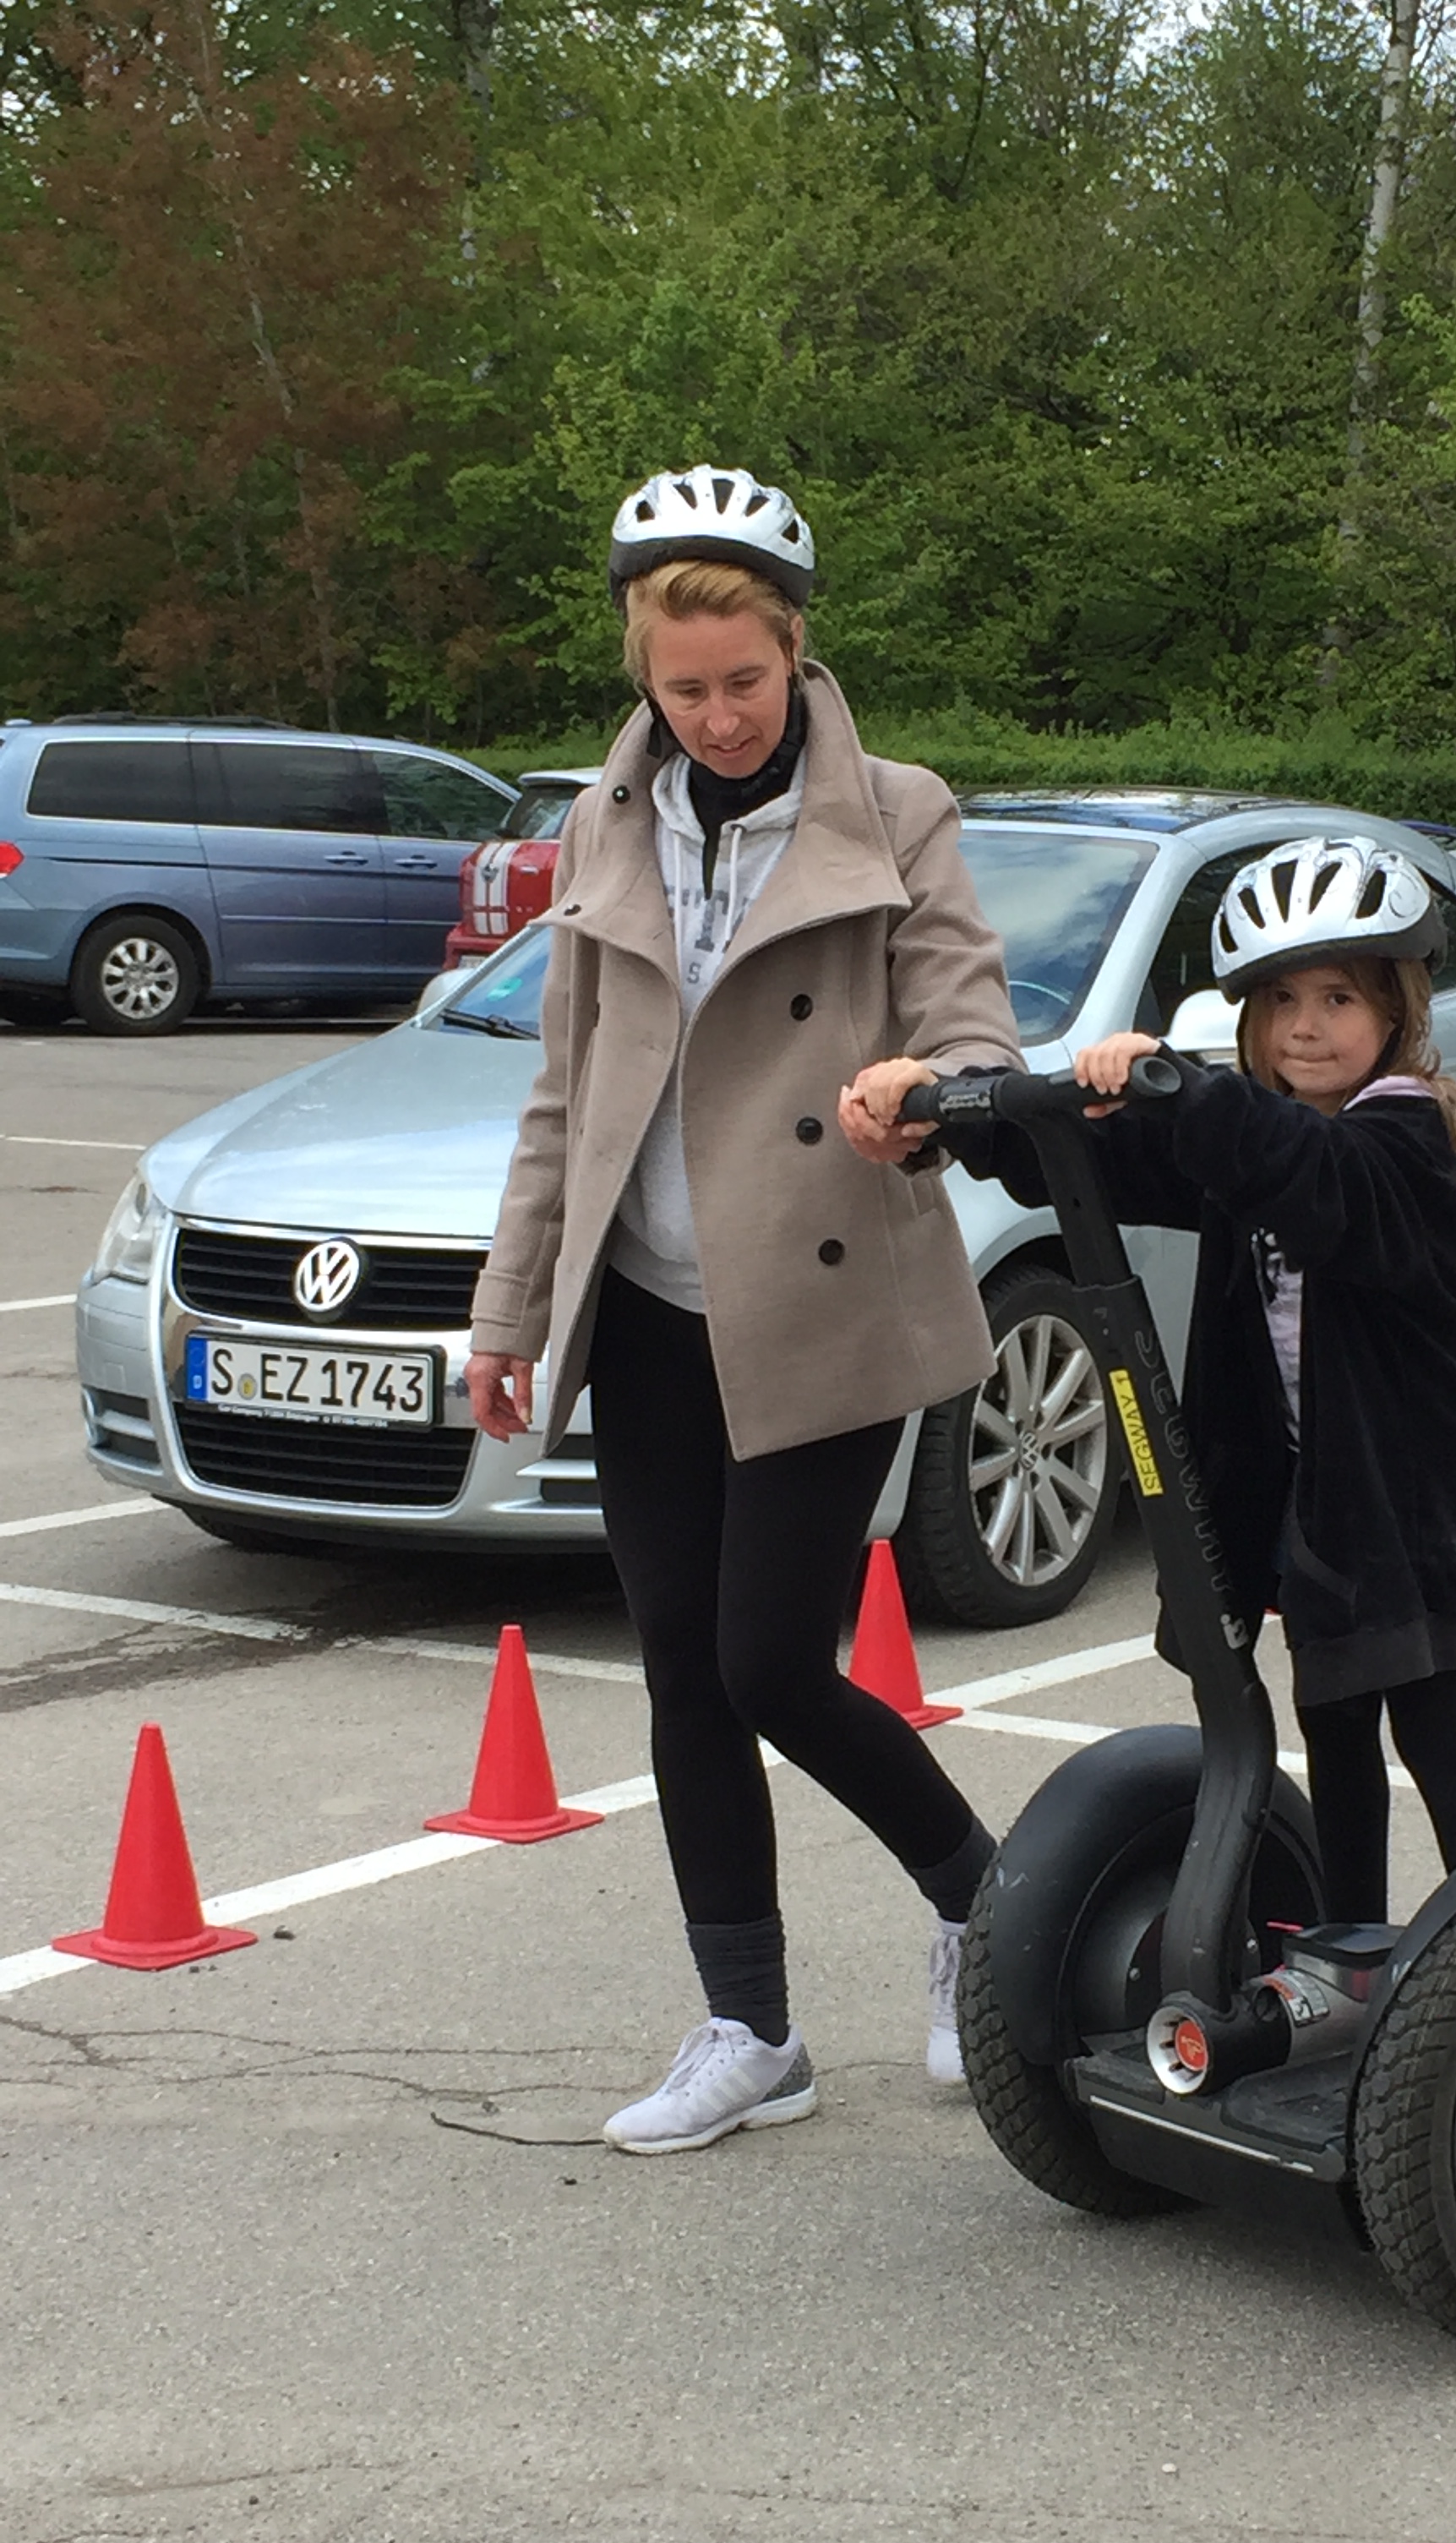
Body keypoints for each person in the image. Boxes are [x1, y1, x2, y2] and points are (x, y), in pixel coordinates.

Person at [466, 465, 1024, 2154]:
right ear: (643, 676)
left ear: (797, 652)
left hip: (821, 1297)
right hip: (646, 1305)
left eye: (746, 681)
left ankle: (988, 1909)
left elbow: (971, 1023)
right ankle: (751, 2031)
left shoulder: (898, 811)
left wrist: (927, 1091)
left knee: (769, 1659)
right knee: (684, 1680)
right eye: (684, 687)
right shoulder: (604, 823)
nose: (718, 718)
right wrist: (512, 1307)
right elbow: (565, 1090)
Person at [848, 833, 1456, 1925]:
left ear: (1396, 1011)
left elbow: (1313, 1178)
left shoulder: (1404, 1143)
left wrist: (1186, 1087)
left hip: (1415, 1505)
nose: (1306, 1026)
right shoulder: (1253, 1137)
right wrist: (945, 1112)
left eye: (1339, 998)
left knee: (1436, 1739)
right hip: (1320, 1506)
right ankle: (1348, 1950)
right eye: (1281, 1000)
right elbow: (1098, 1163)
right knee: (1336, 1733)